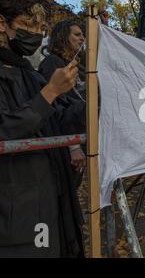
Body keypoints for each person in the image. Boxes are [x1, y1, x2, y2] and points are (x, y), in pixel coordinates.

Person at [0, 0, 85, 257]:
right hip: (10, 218)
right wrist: (51, 92)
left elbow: (60, 122)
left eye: (40, 27)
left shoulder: (28, 73)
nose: (36, 33)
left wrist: (95, 102)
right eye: (27, 24)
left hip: (49, 202)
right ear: (1, 23)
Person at [38, 20, 87, 187]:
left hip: (76, 140)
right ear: (63, 37)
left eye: (83, 35)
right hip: (63, 147)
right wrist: (73, 146)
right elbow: (56, 107)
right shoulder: (53, 63)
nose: (82, 38)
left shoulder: (72, 66)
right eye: (77, 34)